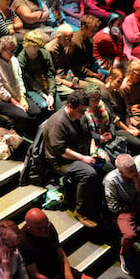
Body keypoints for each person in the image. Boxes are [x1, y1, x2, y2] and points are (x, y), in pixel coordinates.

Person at [19, 207, 100, 279]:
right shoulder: (23, 242)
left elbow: (61, 255)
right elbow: (35, 276)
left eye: (46, 226)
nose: (45, 230)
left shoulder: (48, 228)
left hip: (56, 270)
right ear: (29, 229)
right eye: (40, 229)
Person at [44, 89, 112, 227]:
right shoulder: (58, 123)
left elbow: (89, 136)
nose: (83, 114)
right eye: (81, 111)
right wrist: (83, 158)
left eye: (84, 111)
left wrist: (92, 152)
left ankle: (98, 204)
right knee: (88, 173)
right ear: (70, 107)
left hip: (81, 153)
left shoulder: (81, 117)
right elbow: (61, 151)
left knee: (107, 167)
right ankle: (81, 211)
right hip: (61, 160)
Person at [0, 35, 42, 137]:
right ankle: (17, 135)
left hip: (16, 95)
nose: (12, 54)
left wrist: (22, 98)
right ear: (1, 50)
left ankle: (29, 134)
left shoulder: (14, 61)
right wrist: (17, 103)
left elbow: (19, 80)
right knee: (23, 115)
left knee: (36, 111)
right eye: (9, 51)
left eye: (13, 51)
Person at [19, 29, 58, 114]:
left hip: (45, 83)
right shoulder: (21, 61)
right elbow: (30, 82)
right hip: (31, 88)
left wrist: (51, 94)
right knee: (44, 105)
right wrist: (44, 95)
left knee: (59, 107)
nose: (37, 49)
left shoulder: (44, 54)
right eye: (34, 46)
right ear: (27, 45)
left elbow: (50, 75)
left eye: (38, 46)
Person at [69, 14, 105, 85]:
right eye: (92, 31)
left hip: (89, 69)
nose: (94, 33)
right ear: (83, 27)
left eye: (95, 31)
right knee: (101, 85)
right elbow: (77, 67)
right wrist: (93, 74)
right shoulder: (75, 42)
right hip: (79, 74)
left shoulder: (89, 39)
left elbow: (92, 58)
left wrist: (98, 70)